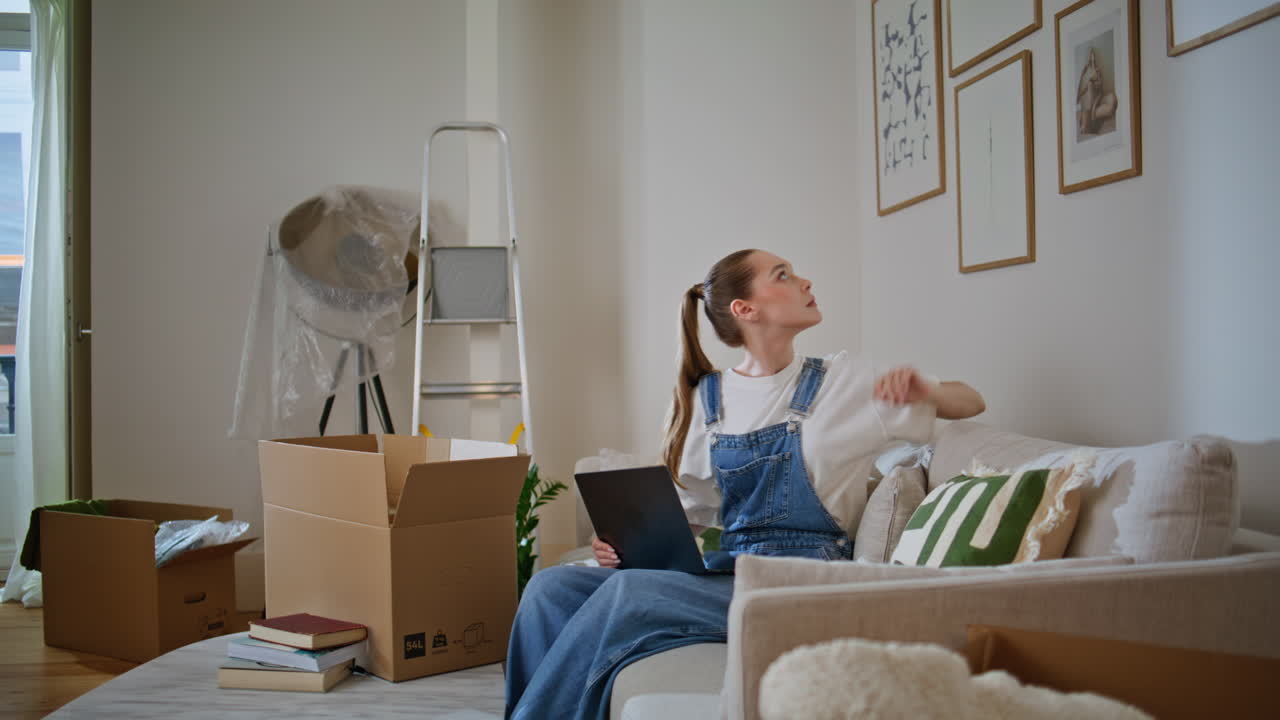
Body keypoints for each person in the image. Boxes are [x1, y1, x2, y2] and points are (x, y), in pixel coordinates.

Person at [505, 249, 986, 720]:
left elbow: (972, 401)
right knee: (551, 587)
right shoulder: (706, 398)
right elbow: (691, 516)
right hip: (732, 571)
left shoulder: (845, 381)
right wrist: (620, 545)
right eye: (784, 275)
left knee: (626, 595)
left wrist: (931, 392)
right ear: (745, 309)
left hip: (802, 584)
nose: (805, 282)